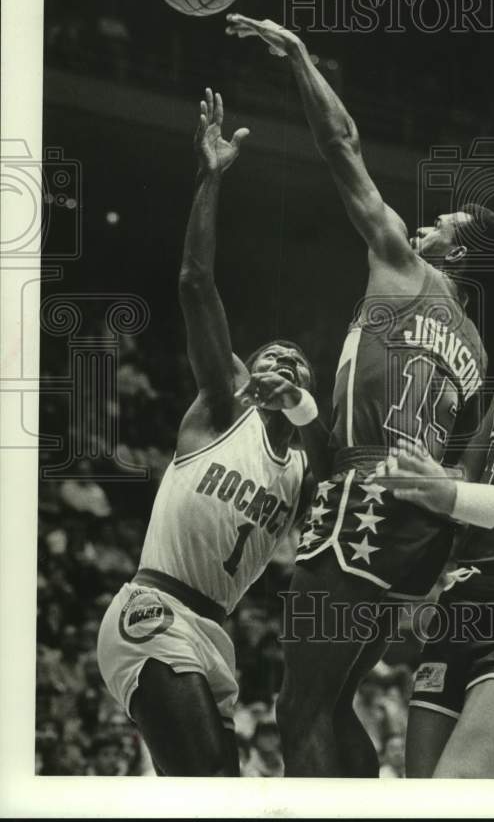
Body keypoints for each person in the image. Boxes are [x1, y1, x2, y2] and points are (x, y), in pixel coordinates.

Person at [227, 13, 494, 777]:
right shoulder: (478, 352)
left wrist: (296, 61)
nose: (417, 226)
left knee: (298, 708)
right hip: (417, 531)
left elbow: (341, 145)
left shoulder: (402, 270)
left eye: (438, 224)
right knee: (330, 703)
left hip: (362, 503)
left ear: (455, 253)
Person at [97, 89, 321, 776]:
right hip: (155, 611)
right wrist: (210, 176)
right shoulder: (223, 410)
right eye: (268, 355)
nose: (278, 360)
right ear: (249, 374)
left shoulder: (303, 467)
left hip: (214, 638)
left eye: (294, 360)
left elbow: (344, 467)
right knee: (208, 793)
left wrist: (312, 414)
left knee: (217, 789)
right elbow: (195, 282)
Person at [369, 357, 494, 777]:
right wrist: (416, 475)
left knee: (454, 789)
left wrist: (450, 494)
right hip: (463, 600)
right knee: (424, 791)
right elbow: (467, 475)